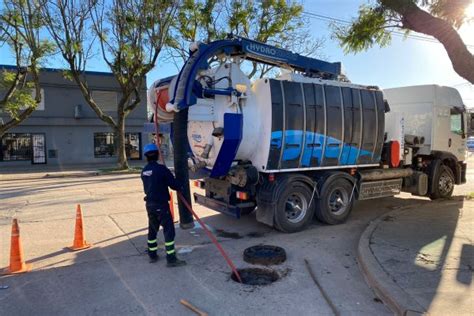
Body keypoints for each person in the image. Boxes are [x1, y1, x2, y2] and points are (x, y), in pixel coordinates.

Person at [141, 143, 186, 267]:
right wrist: (181, 184)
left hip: (149, 205)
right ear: (157, 155)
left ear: (146, 156)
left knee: (152, 229)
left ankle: (152, 254)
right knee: (169, 230)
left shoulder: (144, 171)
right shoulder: (161, 170)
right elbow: (174, 185)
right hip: (161, 205)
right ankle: (171, 259)